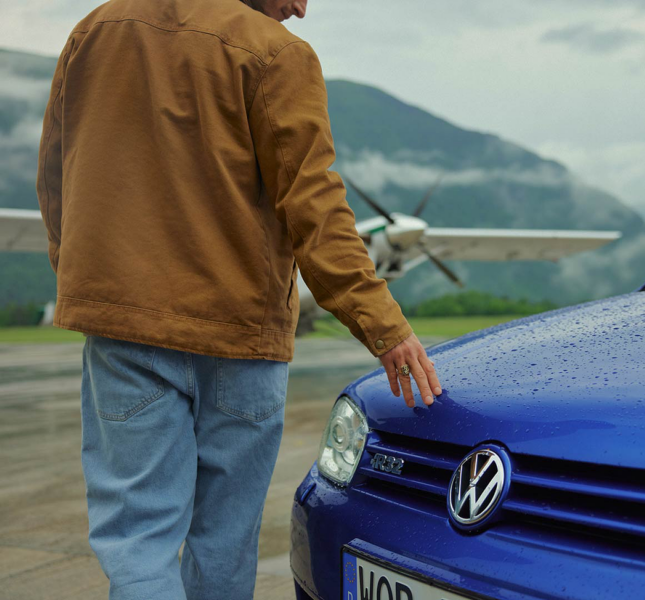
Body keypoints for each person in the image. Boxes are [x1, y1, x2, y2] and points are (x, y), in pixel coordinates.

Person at [36, 0, 442, 598]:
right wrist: (386, 326)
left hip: (125, 335)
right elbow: (317, 206)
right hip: (242, 340)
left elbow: (55, 175)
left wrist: (101, 287)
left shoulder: (93, 33)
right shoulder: (277, 54)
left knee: (138, 544)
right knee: (224, 544)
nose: (301, 9)